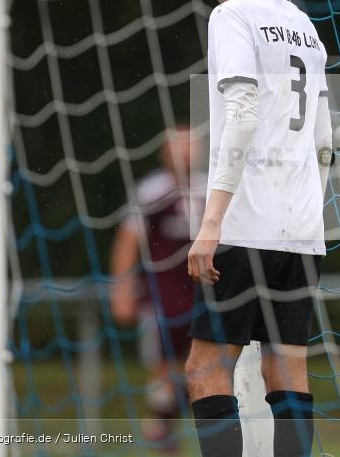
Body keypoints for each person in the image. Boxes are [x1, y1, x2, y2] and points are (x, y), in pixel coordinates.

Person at [183, 0, 332, 457]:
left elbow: (241, 112)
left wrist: (211, 221)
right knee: (287, 366)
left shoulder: (232, 16)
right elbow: (324, 137)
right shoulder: (302, 24)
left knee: (205, 367)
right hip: (299, 225)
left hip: (245, 224)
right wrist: (306, 211)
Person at [110, 125, 206, 451]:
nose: (185, 152)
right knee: (162, 367)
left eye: (191, 145)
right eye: (178, 146)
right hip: (160, 295)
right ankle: (164, 434)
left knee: (207, 367)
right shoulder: (150, 191)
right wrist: (121, 288)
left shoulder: (213, 187)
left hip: (205, 293)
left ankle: (210, 431)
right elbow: (128, 240)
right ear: (164, 151)